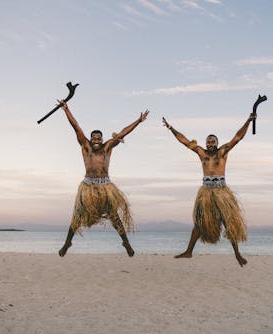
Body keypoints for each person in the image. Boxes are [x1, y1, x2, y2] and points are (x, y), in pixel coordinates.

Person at [162, 108, 257, 267]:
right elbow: (184, 141)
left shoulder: (223, 152)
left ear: (217, 143)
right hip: (206, 193)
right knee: (199, 223)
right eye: (208, 141)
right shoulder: (201, 153)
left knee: (229, 222)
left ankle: (237, 254)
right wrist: (171, 128)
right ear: (205, 143)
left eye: (213, 141)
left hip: (222, 193)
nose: (210, 143)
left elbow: (238, 137)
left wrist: (248, 121)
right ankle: (188, 252)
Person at [57, 100, 149, 257]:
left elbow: (123, 133)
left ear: (102, 139)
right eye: (94, 137)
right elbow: (76, 127)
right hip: (88, 187)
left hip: (106, 187)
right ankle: (67, 243)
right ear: (90, 139)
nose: (96, 139)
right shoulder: (86, 146)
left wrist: (138, 121)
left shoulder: (108, 147)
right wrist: (66, 110)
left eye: (99, 137)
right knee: (77, 216)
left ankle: (126, 243)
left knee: (114, 217)